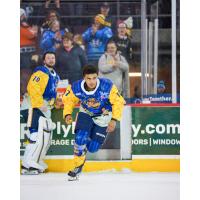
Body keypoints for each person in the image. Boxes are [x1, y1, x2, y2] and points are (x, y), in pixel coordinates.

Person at [62, 65, 125, 181]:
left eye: (94, 78)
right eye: (88, 78)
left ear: (98, 76)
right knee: (80, 138)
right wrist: (67, 114)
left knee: (93, 148)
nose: (92, 81)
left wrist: (114, 119)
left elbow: (118, 102)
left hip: (103, 117)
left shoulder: (107, 85)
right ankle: (77, 167)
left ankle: (83, 149)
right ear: (83, 78)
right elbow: (68, 100)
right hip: (86, 113)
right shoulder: (76, 87)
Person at [21, 52, 60, 175]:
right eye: (48, 58)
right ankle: (28, 164)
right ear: (44, 60)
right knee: (36, 135)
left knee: (44, 137)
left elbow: (52, 93)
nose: (51, 59)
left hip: (44, 108)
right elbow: (33, 88)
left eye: (53, 57)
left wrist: (54, 103)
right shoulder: (41, 72)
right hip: (34, 106)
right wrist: (39, 103)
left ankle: (36, 160)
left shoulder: (55, 76)